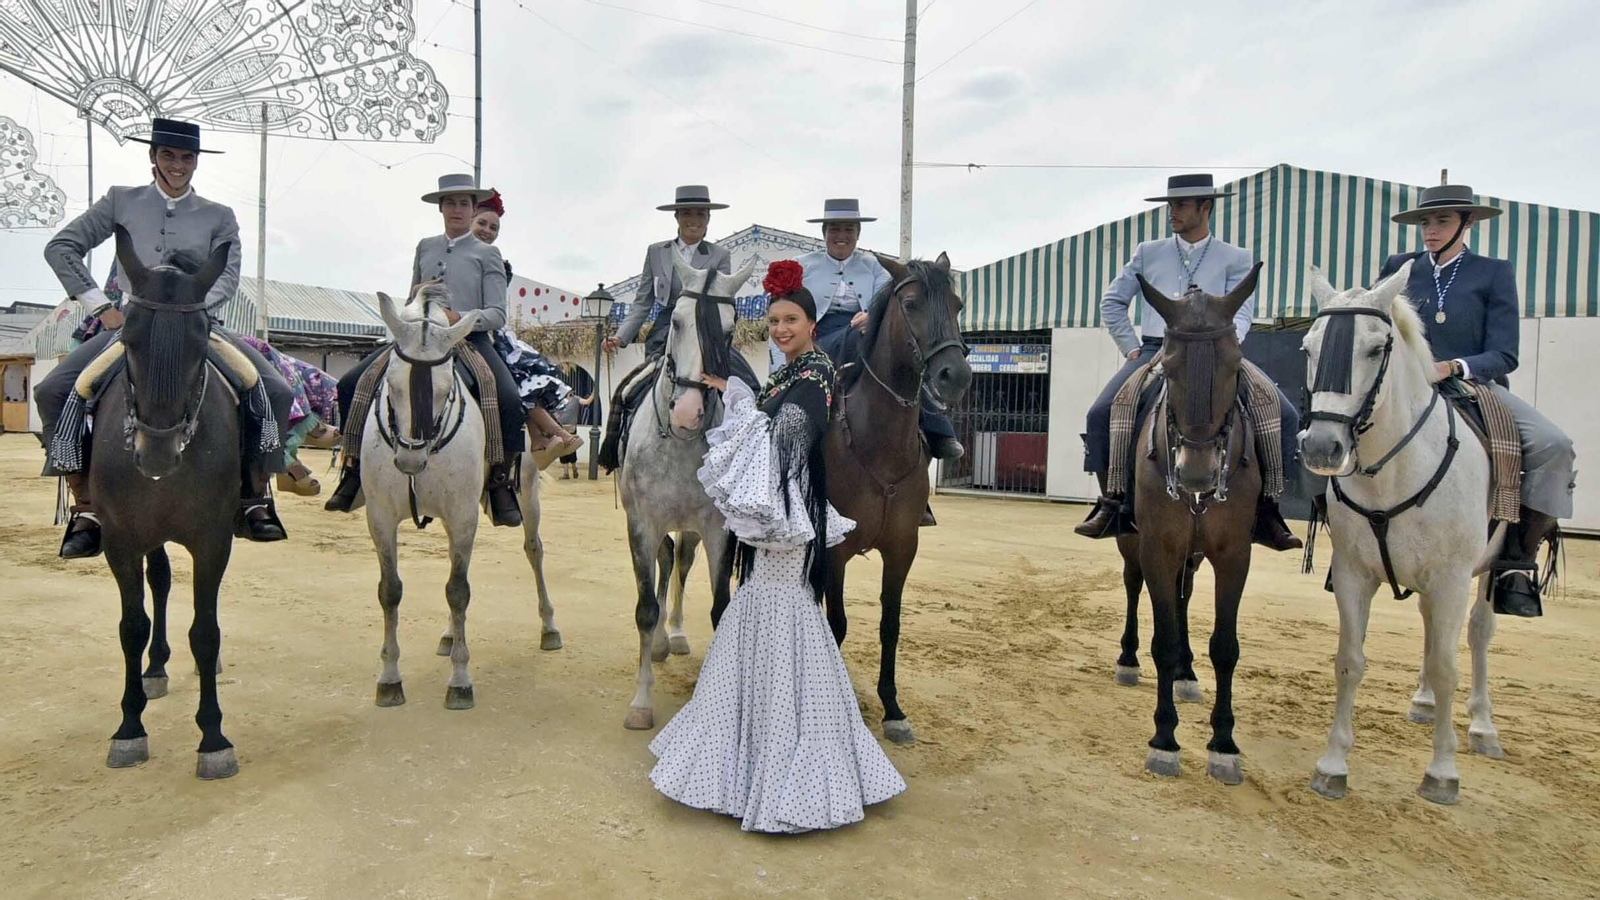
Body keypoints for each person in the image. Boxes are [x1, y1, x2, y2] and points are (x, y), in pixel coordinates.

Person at [647, 260, 905, 833]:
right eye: (774, 321)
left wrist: (743, 409)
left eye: (790, 320)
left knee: (779, 609)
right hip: (779, 511)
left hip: (786, 512)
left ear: (812, 324)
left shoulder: (814, 373)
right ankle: (767, 738)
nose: (781, 329)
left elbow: (785, 439)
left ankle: (781, 752)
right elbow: (769, 419)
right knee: (773, 610)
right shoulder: (789, 373)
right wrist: (739, 393)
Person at [35, 117, 293, 557]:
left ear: (196, 162)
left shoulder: (219, 216)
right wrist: (100, 305)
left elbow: (228, 276)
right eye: (169, 155)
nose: (178, 164)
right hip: (133, 325)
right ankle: (87, 506)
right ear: (153, 156)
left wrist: (193, 309)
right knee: (53, 390)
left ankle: (253, 497)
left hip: (196, 323)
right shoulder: (120, 201)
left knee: (275, 390)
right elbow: (60, 247)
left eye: (187, 157)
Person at [1074, 174, 1302, 552]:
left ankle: (1268, 510)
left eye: (1180, 205)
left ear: (1205, 207)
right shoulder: (1148, 252)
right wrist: (1131, 347)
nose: (1172, 212)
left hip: (1217, 352)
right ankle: (1115, 503)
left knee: (1285, 414)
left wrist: (1226, 348)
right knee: (1100, 413)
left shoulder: (1236, 257)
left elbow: (1242, 312)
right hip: (1157, 350)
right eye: (1170, 205)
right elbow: (1112, 301)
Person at [1379, 183, 1576, 617]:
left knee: (1555, 445)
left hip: (1475, 386)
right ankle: (1347, 543)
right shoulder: (1399, 268)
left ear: (1467, 223)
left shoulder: (1493, 272)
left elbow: (1505, 353)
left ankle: (1516, 561)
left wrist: (1453, 366)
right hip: (1404, 388)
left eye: (1442, 220)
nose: (1431, 230)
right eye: (1426, 222)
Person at [324, 173, 525, 526]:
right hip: (417, 338)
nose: (457, 210)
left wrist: (459, 317)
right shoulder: (425, 246)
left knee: (508, 399)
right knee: (350, 384)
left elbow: (496, 314)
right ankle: (353, 470)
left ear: (473, 208)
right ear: (441, 208)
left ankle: (499, 482)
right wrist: (416, 295)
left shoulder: (488, 254)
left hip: (467, 339)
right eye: (450, 203)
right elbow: (409, 303)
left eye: (463, 203)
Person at [794, 198, 963, 461]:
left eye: (849, 230)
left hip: (865, 332)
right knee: (855, 338)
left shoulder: (874, 265)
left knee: (906, 356)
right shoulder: (802, 265)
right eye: (835, 229)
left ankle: (937, 428)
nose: (842, 236)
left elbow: (886, 303)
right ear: (824, 232)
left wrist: (871, 317)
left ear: (858, 234)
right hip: (819, 337)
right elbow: (788, 312)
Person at [596, 185, 739, 470]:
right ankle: (616, 452)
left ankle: (743, 455)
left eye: (700, 214)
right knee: (627, 390)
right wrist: (621, 337)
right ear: (676, 217)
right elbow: (643, 301)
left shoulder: (720, 255)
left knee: (747, 386)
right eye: (687, 213)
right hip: (665, 330)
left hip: (707, 333)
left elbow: (723, 300)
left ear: (709, 218)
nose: (694, 220)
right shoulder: (656, 252)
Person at [470, 190, 583, 469]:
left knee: (519, 385)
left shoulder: (497, 262)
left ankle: (532, 448)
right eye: (482, 223)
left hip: (488, 334)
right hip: (449, 331)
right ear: (469, 221)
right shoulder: (445, 253)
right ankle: (549, 436)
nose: (487, 231)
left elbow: (495, 308)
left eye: (493, 227)